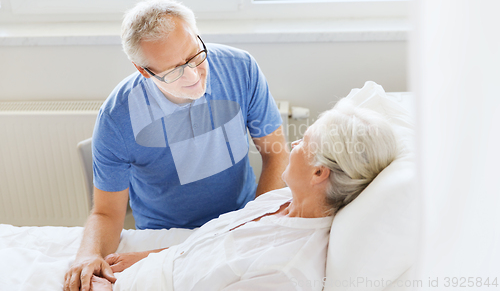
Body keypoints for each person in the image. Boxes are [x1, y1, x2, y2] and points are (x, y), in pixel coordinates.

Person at [64, 0, 289, 291]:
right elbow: (106, 212)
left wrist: (255, 220)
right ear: (144, 71)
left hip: (239, 220)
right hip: (164, 234)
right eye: (174, 71)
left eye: (195, 55)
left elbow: (276, 155)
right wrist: (88, 254)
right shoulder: (117, 117)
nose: (195, 75)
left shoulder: (241, 69)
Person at [87, 98, 398, 291]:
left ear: (319, 173)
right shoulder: (281, 201)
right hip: (151, 269)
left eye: (304, 141)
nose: (293, 146)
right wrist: (148, 257)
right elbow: (213, 244)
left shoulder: (286, 271)